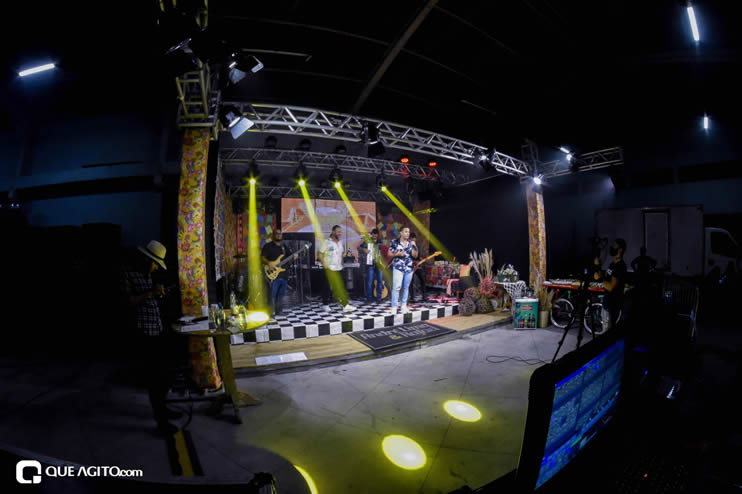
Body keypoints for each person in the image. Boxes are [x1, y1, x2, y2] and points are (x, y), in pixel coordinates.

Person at [120, 240, 180, 435]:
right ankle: (161, 422)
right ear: (147, 259)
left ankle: (164, 410)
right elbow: (126, 301)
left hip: (156, 330)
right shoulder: (127, 273)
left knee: (166, 374)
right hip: (142, 333)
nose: (156, 268)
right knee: (156, 379)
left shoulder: (148, 274)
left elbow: (149, 299)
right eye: (155, 263)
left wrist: (158, 294)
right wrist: (150, 293)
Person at [317, 225, 356, 313]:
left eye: (340, 232)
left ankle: (345, 305)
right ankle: (325, 305)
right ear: (333, 232)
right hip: (329, 268)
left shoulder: (340, 242)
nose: (340, 233)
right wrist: (324, 264)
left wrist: (342, 264)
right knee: (327, 287)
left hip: (339, 268)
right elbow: (319, 254)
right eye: (338, 231)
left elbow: (341, 254)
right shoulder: (326, 242)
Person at [594, 238, 627, 331]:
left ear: (620, 249)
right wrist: (598, 266)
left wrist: (599, 279)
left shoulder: (620, 266)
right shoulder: (612, 264)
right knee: (605, 328)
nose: (612, 247)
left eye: (614, 246)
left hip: (613, 305)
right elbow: (605, 278)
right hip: (607, 303)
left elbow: (611, 287)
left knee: (608, 332)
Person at [261, 228, 291, 316]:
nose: (279, 235)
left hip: (284, 274)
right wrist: (269, 263)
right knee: (272, 295)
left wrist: (294, 257)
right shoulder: (268, 246)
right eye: (277, 233)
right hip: (273, 274)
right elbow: (262, 258)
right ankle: (270, 312)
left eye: (280, 233)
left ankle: (279, 311)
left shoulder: (284, 247)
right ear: (273, 235)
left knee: (281, 295)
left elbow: (289, 258)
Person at [388, 226, 419, 314]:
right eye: (406, 231)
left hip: (408, 268)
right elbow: (389, 253)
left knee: (406, 287)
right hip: (398, 267)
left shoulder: (410, 243)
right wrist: (397, 254)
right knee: (397, 287)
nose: (408, 233)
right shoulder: (394, 242)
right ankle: (394, 307)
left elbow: (415, 255)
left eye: (408, 232)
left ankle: (403, 306)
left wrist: (414, 246)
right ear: (401, 233)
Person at [358, 228, 384, 304]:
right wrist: (364, 249)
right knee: (369, 282)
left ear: (378, 235)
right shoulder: (368, 241)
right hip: (370, 263)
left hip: (379, 264)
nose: (375, 235)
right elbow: (359, 247)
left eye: (376, 234)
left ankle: (379, 299)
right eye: (373, 234)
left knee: (380, 281)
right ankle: (369, 299)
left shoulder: (380, 241)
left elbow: (384, 251)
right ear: (371, 234)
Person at [409, 232, 428, 302]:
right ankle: (412, 298)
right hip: (411, 266)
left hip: (418, 265)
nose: (413, 240)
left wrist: (423, 259)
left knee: (423, 280)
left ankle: (424, 296)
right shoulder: (408, 246)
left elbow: (419, 256)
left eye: (414, 239)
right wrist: (413, 262)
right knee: (410, 282)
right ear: (410, 239)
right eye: (412, 239)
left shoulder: (417, 246)